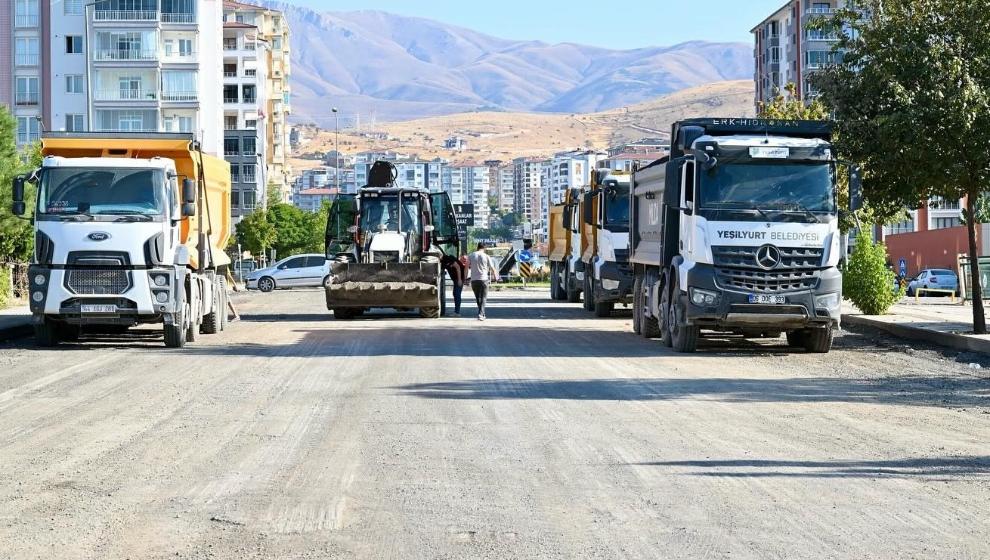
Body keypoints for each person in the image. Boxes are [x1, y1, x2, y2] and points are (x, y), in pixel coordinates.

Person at [468, 242, 498, 321]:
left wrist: (465, 278)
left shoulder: (471, 255)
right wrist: (495, 277)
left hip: (474, 280)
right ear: (484, 248)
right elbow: (492, 268)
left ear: (477, 247)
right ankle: (481, 314)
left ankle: (482, 313)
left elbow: (466, 267)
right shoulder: (486, 256)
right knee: (483, 298)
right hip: (484, 279)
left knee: (478, 298)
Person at [441, 251, 467, 316]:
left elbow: (457, 267)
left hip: (459, 278)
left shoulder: (448, 258)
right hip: (457, 278)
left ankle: (457, 312)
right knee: (455, 293)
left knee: (457, 294)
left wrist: (459, 280)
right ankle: (456, 311)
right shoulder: (443, 262)